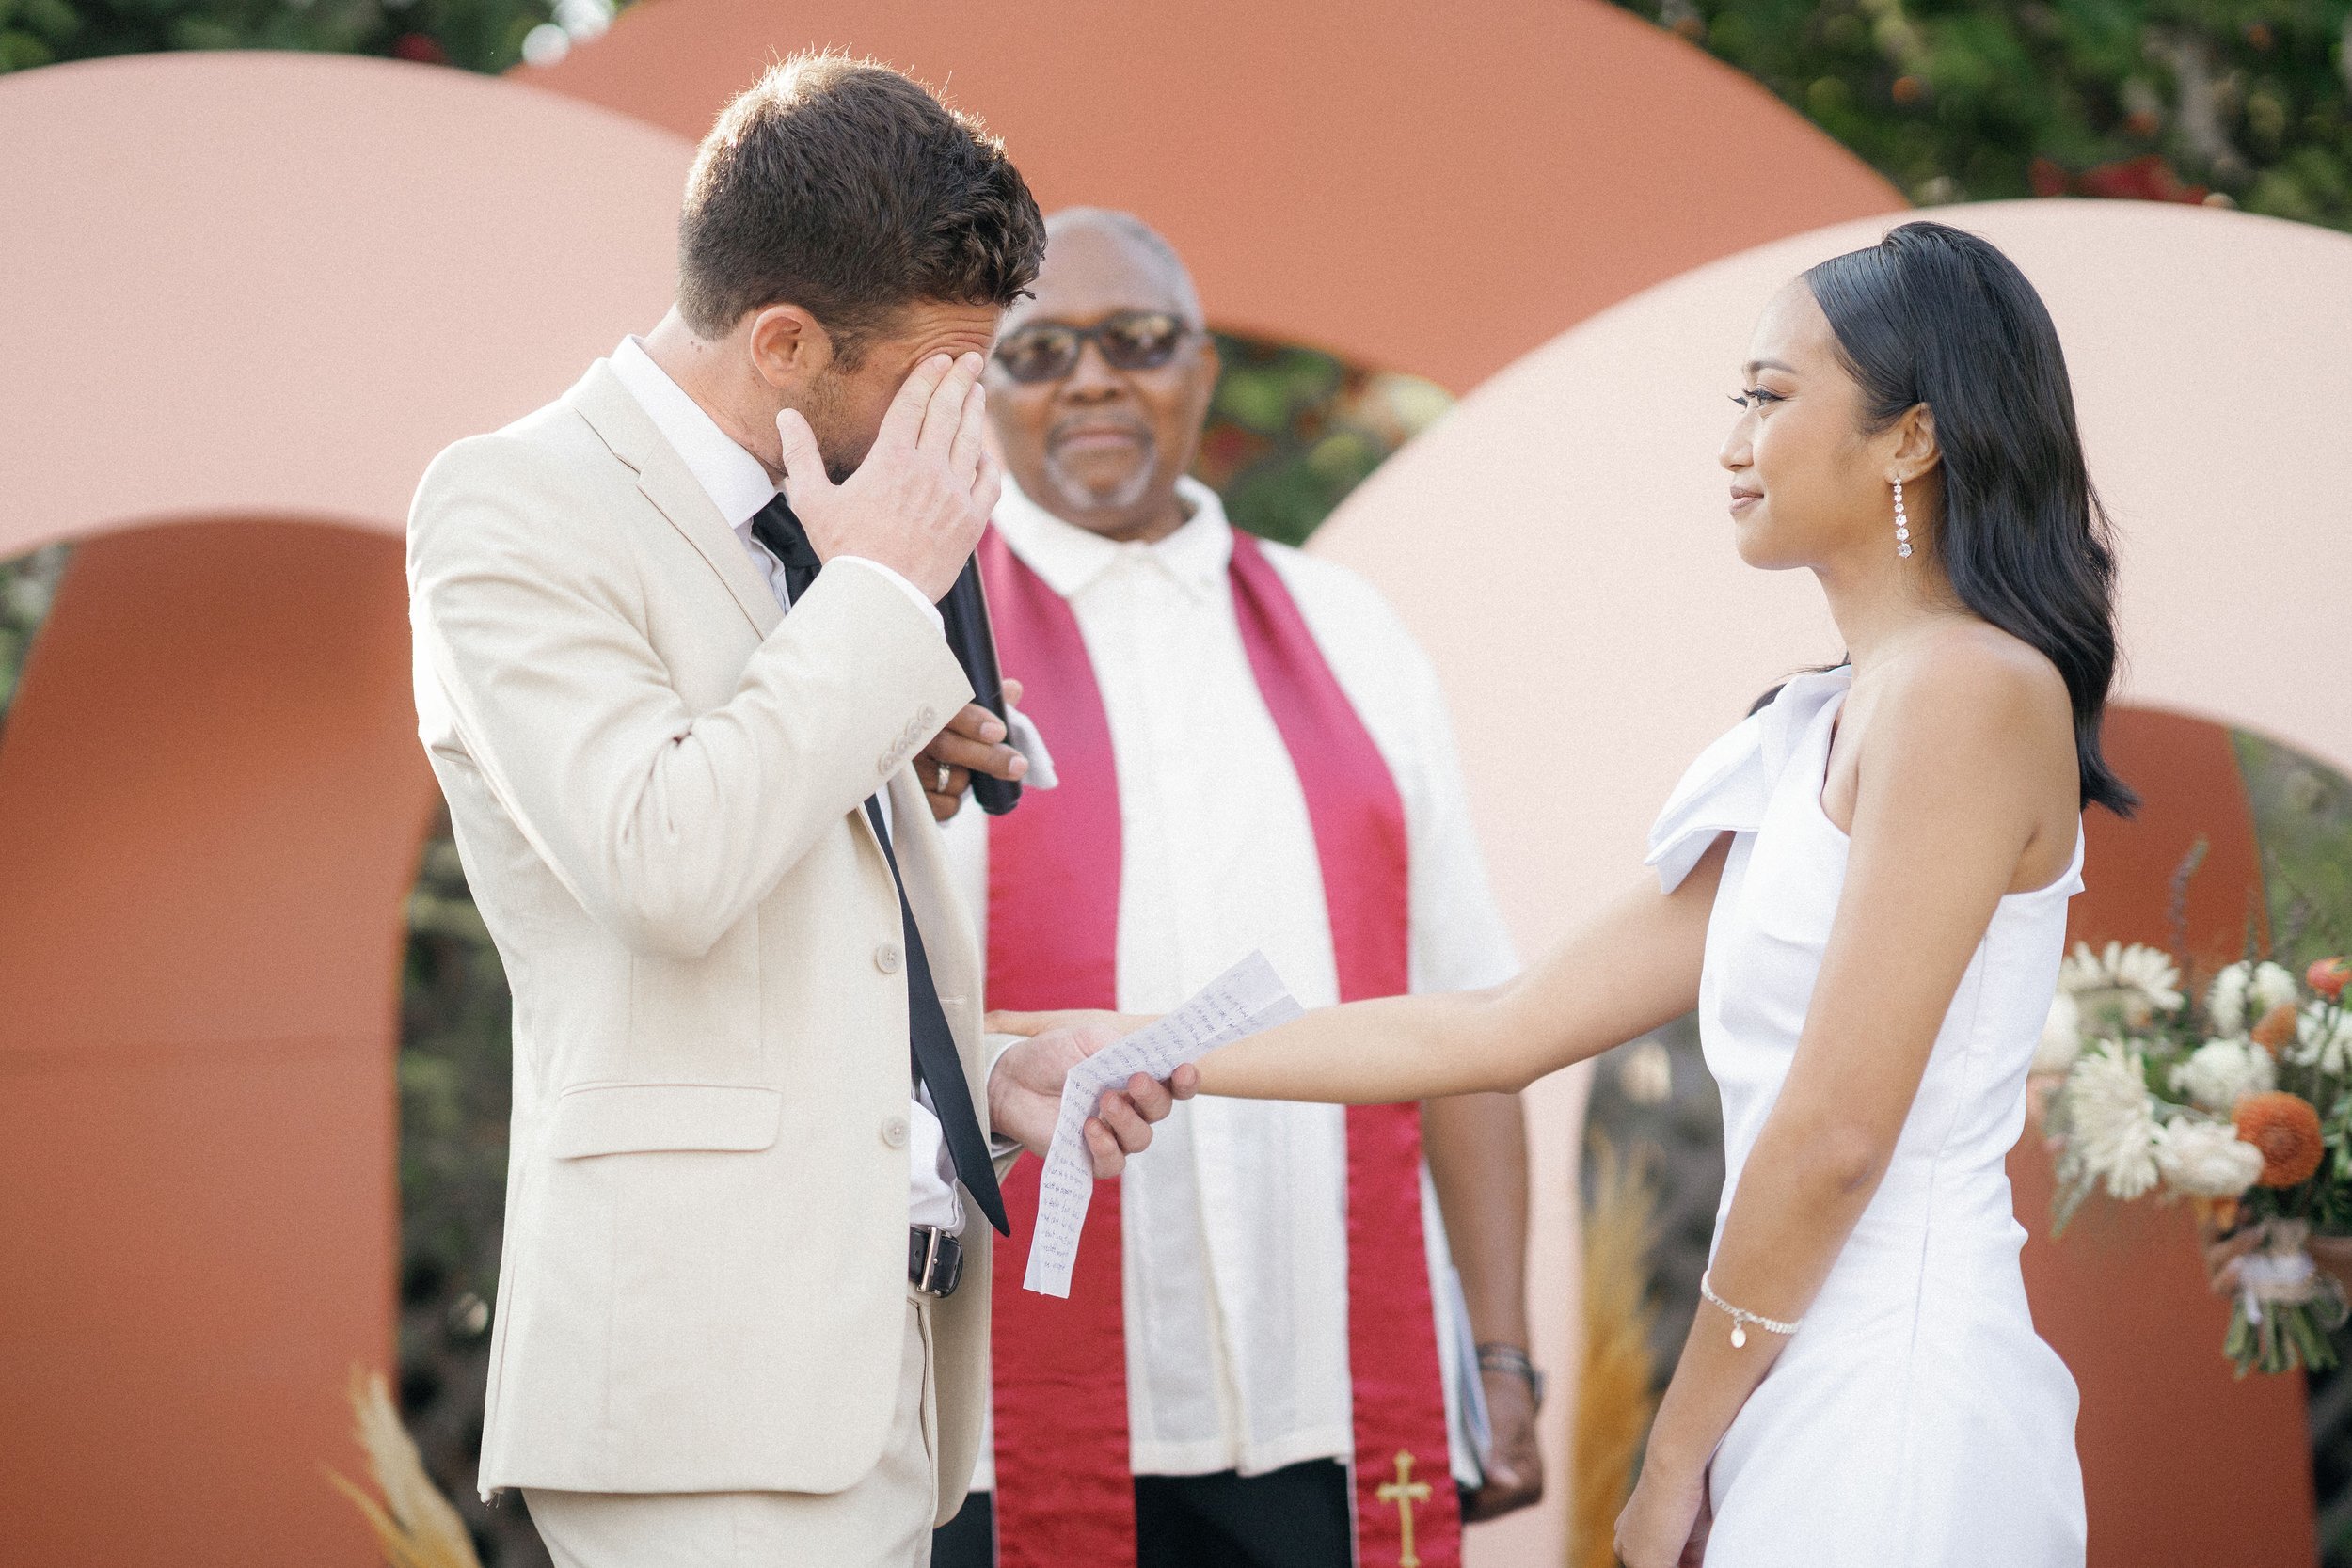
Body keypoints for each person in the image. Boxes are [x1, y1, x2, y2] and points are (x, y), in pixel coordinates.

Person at [1001, 220, 2126, 1568]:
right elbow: (1499, 1026)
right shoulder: (1819, 726)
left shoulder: (1969, 693)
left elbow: (1831, 1139)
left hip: (1897, 1396)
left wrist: (1672, 1458)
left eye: (1767, 398)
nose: (1730, 445)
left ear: (1911, 437)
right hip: (1796, 1380)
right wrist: (1124, 1043)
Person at [405, 55, 1178, 1568]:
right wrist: (881, 595)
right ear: (782, 339)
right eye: (934, 374)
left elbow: (803, 948)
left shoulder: (819, 512)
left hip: (877, 1372)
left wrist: (987, 1079)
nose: (963, 426)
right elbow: (664, 863)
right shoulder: (512, 503)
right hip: (701, 1394)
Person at [929, 209, 1542, 1568]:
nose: (1091, 379)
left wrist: (1501, 1352)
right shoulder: (917, 643)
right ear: (984, 390)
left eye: (1136, 341)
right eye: (1038, 352)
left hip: (1320, 1389)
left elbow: (1471, 1018)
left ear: (1201, 368)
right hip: (989, 1422)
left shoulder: (1353, 634)